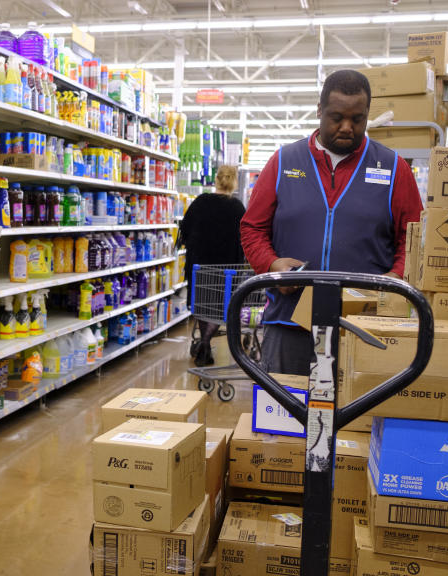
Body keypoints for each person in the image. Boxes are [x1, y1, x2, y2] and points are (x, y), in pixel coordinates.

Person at [240, 69, 423, 375]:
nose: (347, 128)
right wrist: (272, 265)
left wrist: (393, 279)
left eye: (358, 119)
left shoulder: (394, 169)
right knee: (285, 417)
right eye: (337, 117)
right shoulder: (284, 162)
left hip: (364, 329)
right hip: (289, 324)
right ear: (319, 111)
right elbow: (252, 228)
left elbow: (414, 239)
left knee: (359, 421)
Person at [180, 164, 246, 366]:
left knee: (202, 304)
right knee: (220, 307)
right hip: (227, 269)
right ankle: (205, 342)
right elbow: (245, 238)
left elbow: (185, 230)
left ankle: (204, 344)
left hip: (200, 266)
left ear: (216, 179)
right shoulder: (238, 208)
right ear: (235, 182)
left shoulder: (200, 202)